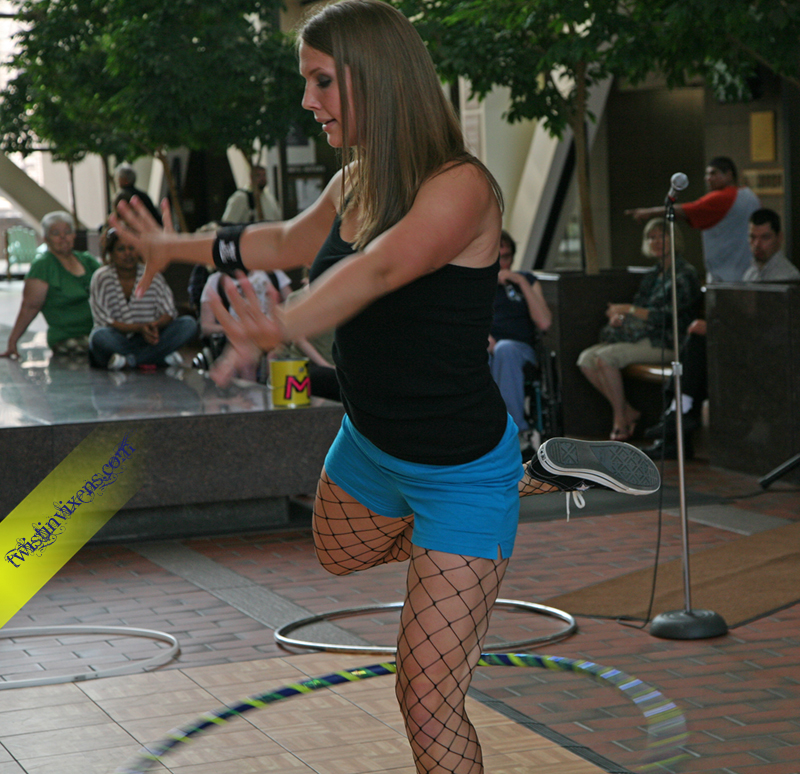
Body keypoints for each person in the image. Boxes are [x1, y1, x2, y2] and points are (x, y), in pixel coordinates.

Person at [111, 3, 659, 770]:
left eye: (321, 81)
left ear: (376, 76)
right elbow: (284, 239)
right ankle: (530, 476)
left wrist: (281, 323)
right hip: (369, 441)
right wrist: (172, 245)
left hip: (459, 468)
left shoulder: (460, 187)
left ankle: (502, 490)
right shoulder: (356, 179)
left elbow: (381, 268)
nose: (308, 100)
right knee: (337, 554)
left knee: (426, 700)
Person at [643, 207, 799, 459]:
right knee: (697, 347)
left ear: (779, 238)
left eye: (765, 237)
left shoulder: (786, 277)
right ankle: (678, 419)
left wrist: (716, 329)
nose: (757, 244)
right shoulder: (752, 271)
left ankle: (678, 415)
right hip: (745, 348)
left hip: (767, 357)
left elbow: (767, 330)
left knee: (697, 345)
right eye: (752, 237)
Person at [577, 218, 701, 441]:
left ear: (674, 239)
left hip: (668, 341)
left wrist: (628, 309)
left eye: (661, 236)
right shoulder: (653, 274)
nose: (656, 241)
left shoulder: (684, 274)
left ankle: (619, 419)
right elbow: (639, 307)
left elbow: (666, 316)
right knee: (586, 359)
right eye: (651, 237)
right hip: (643, 337)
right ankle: (627, 410)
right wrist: (620, 317)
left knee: (604, 359)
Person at [626, 156, 760, 283]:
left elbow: (688, 210)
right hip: (747, 268)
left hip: (728, 273)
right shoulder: (750, 196)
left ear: (729, 174)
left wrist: (648, 212)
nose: (708, 178)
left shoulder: (725, 196)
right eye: (707, 174)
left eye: (713, 173)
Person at [88, 227, 197, 370]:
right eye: (121, 249)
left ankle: (130, 361)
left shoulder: (153, 275)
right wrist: (140, 328)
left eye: (132, 248)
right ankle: (158, 358)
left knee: (188, 324)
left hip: (150, 339)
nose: (128, 254)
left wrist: (153, 326)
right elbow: (103, 320)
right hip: (117, 339)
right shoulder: (101, 277)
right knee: (99, 336)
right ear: (111, 253)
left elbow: (169, 312)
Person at [1, 211, 100, 359]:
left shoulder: (87, 260)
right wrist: (12, 342)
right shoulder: (43, 266)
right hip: (67, 338)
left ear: (74, 235)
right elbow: (29, 307)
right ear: (46, 239)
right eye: (56, 233)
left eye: (67, 232)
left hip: (97, 331)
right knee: (102, 348)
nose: (63, 237)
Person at [489, 230, 552, 453]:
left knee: (505, 350)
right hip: (486, 346)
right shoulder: (476, 284)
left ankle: (515, 432)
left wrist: (521, 282)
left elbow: (544, 322)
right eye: (496, 257)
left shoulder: (527, 280)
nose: (501, 263)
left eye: (506, 257)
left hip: (521, 350)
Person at [199, 268, 291, 379]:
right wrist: (233, 329)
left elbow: (293, 302)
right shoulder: (216, 280)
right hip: (237, 337)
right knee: (243, 361)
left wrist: (278, 326)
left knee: (273, 357)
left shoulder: (273, 272)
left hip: (274, 333)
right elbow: (206, 326)